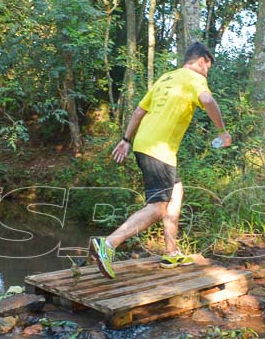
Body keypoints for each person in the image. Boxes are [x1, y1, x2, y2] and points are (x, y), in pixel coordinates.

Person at [88, 42, 231, 278]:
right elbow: (207, 100)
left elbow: (139, 111)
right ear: (202, 60)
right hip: (159, 149)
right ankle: (108, 244)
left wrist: (126, 139)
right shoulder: (194, 77)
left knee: (176, 191)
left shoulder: (166, 78)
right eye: (209, 66)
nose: (208, 72)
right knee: (157, 208)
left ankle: (171, 251)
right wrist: (223, 132)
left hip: (146, 143)